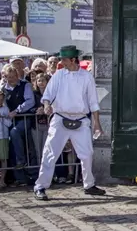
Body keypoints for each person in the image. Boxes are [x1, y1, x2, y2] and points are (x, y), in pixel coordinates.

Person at [34, 46, 106, 201]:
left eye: (64, 59)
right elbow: (48, 95)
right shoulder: (59, 75)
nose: (62, 62)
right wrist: (46, 105)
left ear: (73, 59)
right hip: (60, 117)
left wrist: (97, 123)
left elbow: (93, 102)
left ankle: (89, 185)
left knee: (87, 154)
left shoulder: (87, 77)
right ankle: (40, 186)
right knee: (50, 153)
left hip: (81, 119)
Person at [0, 63, 36, 186]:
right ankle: (18, 177)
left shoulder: (26, 85)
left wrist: (17, 110)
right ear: (5, 77)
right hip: (10, 121)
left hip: (24, 118)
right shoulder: (3, 89)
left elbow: (30, 101)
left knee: (15, 132)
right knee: (12, 145)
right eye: (9, 77)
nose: (12, 79)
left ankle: (22, 161)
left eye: (14, 76)